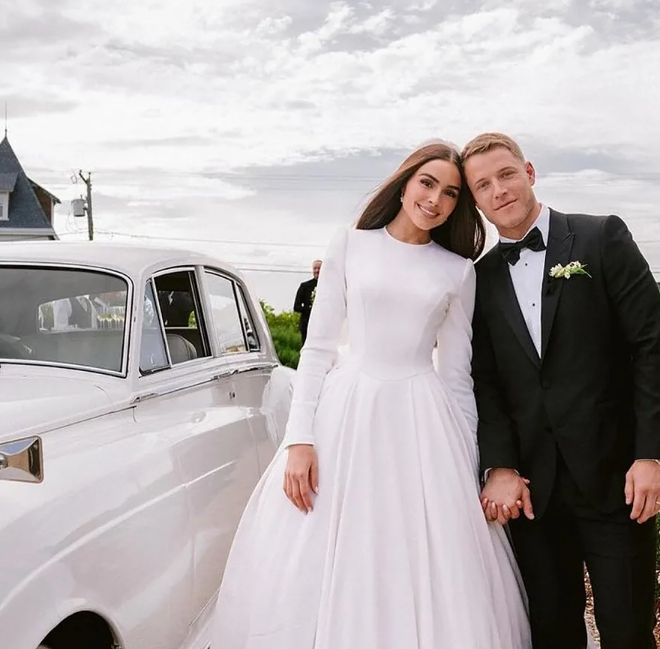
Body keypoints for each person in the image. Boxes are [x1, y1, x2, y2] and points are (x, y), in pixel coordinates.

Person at [209, 141, 532, 649]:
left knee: (423, 559)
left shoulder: (458, 271)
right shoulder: (350, 245)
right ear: (404, 183)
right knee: (327, 550)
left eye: (450, 193)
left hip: (422, 422)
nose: (436, 200)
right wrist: (299, 440)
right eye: (427, 183)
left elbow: (456, 377)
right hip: (346, 414)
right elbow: (316, 350)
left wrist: (472, 465)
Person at [462, 132, 660, 649]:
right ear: (475, 200)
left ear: (530, 172)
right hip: (535, 495)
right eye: (483, 185)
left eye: (506, 174)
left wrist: (654, 455)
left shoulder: (601, 237)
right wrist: (502, 467)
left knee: (627, 631)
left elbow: (650, 348)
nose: (499, 191)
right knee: (552, 631)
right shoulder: (480, 278)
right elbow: (485, 383)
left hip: (615, 480)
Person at [293, 259, 322, 344]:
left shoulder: (330, 286)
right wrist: (311, 309)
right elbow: (296, 307)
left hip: (322, 326)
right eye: (315, 268)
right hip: (307, 325)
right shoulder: (305, 286)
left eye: (319, 268)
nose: (317, 270)